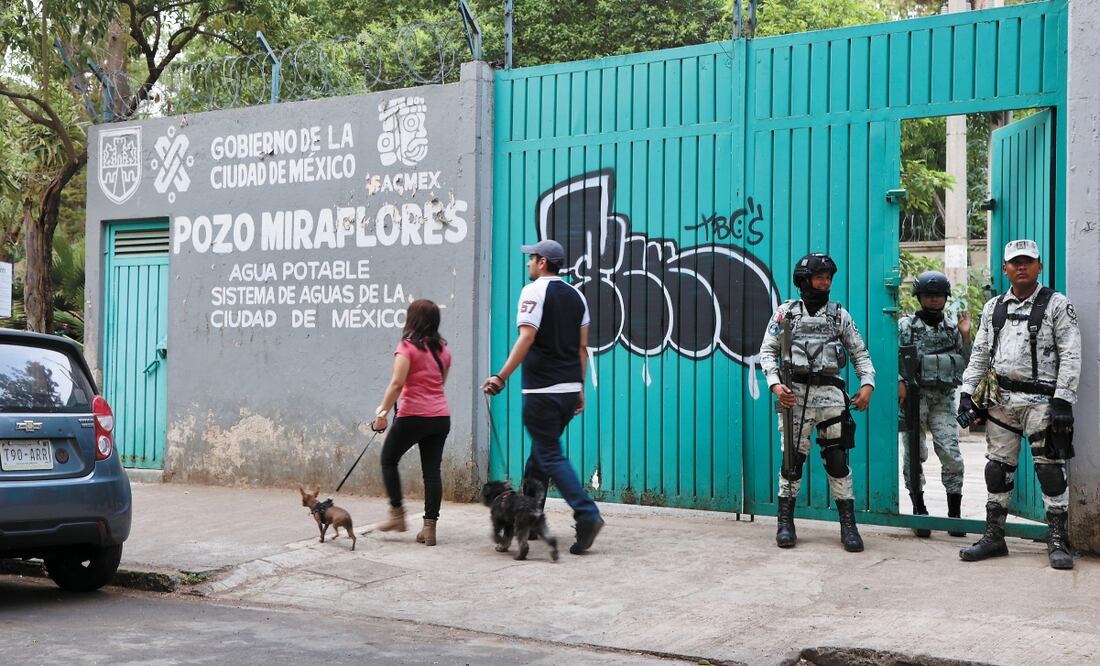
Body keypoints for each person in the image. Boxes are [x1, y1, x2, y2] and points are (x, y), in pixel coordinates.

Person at [957, 239, 1081, 570]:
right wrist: (967, 392)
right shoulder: (994, 307)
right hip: (1001, 401)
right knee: (997, 469)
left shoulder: (1057, 304)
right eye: (1015, 262)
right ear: (1005, 269)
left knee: (1050, 469)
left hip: (1043, 401)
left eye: (1028, 261)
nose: (1022, 267)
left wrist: (1064, 400)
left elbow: (1070, 353)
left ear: (1039, 266)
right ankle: (994, 536)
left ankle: (1057, 540)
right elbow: (981, 352)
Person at [481, 239, 604, 555]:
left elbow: (527, 337)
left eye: (531, 258)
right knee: (539, 453)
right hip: (565, 392)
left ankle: (587, 513)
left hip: (542, 392)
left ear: (543, 262)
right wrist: (578, 387)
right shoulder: (578, 296)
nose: (528, 263)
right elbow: (581, 348)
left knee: (548, 454)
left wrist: (501, 376)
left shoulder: (533, 292)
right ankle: (531, 517)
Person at [758, 253, 876, 552]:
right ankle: (785, 523)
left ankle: (848, 526)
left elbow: (859, 353)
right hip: (793, 397)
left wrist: (867, 384)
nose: (825, 282)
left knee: (837, 461)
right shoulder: (786, 314)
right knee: (792, 463)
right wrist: (775, 384)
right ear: (804, 279)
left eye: (828, 278)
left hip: (832, 399)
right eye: (820, 277)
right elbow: (767, 352)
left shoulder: (839, 315)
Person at [370, 299, 452, 547]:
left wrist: (382, 414)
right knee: (432, 472)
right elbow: (440, 383)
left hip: (413, 416)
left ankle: (397, 515)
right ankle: (429, 529)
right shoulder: (444, 351)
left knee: (388, 459)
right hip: (440, 417)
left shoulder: (406, 348)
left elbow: (397, 384)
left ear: (412, 320)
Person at [897, 271, 971, 537]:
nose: (933, 300)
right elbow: (896, 357)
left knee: (950, 452)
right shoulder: (906, 326)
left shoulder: (952, 328)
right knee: (913, 456)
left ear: (945, 298)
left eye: (937, 295)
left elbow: (967, 362)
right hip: (914, 399)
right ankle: (920, 509)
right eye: (928, 296)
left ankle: (954, 514)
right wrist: (900, 382)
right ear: (919, 297)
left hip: (942, 399)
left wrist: (965, 336)